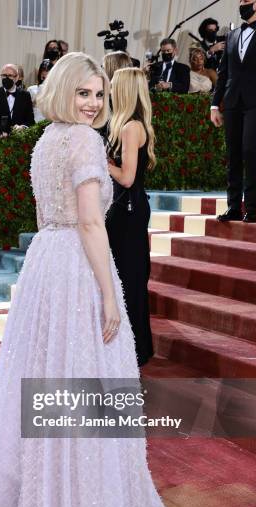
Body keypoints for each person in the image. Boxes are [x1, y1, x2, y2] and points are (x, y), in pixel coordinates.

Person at [0, 52, 166, 507]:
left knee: (47, 376)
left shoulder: (45, 139)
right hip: (76, 267)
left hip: (44, 266)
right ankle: (79, 506)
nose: (93, 104)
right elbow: (91, 225)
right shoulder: (81, 140)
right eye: (84, 93)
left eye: (99, 95)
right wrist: (107, 292)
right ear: (62, 91)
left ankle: (44, 496)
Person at [105, 68, 155, 367]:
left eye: (112, 86)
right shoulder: (127, 124)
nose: (108, 90)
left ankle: (135, 349)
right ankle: (131, 347)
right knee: (126, 277)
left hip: (128, 212)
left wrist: (102, 160)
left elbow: (126, 178)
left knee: (129, 279)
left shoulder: (130, 127)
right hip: (127, 210)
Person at [212, 0, 256, 223]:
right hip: (232, 102)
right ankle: (234, 207)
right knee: (233, 154)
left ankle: (252, 208)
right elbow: (223, 72)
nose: (242, 4)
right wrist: (214, 105)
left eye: (246, 0)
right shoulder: (233, 35)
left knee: (249, 150)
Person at [0, 64, 34, 138]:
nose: (6, 78)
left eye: (10, 75)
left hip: (21, 140)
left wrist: (22, 127)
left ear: (17, 77)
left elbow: (30, 120)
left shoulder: (25, 95)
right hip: (0, 144)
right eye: (4, 75)